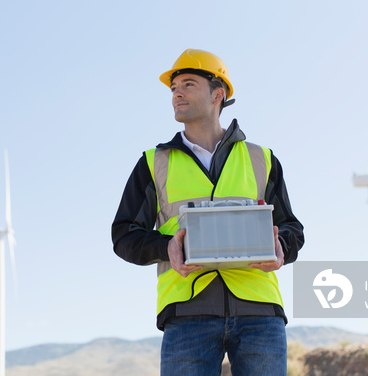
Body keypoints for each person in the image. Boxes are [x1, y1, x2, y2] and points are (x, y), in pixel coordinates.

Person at [111, 49, 304, 375]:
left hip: (259, 311)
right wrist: (166, 246)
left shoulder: (262, 159)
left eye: (188, 84)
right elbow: (123, 235)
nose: (177, 94)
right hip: (187, 314)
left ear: (219, 94)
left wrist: (281, 246)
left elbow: (291, 228)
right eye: (173, 88)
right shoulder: (153, 163)